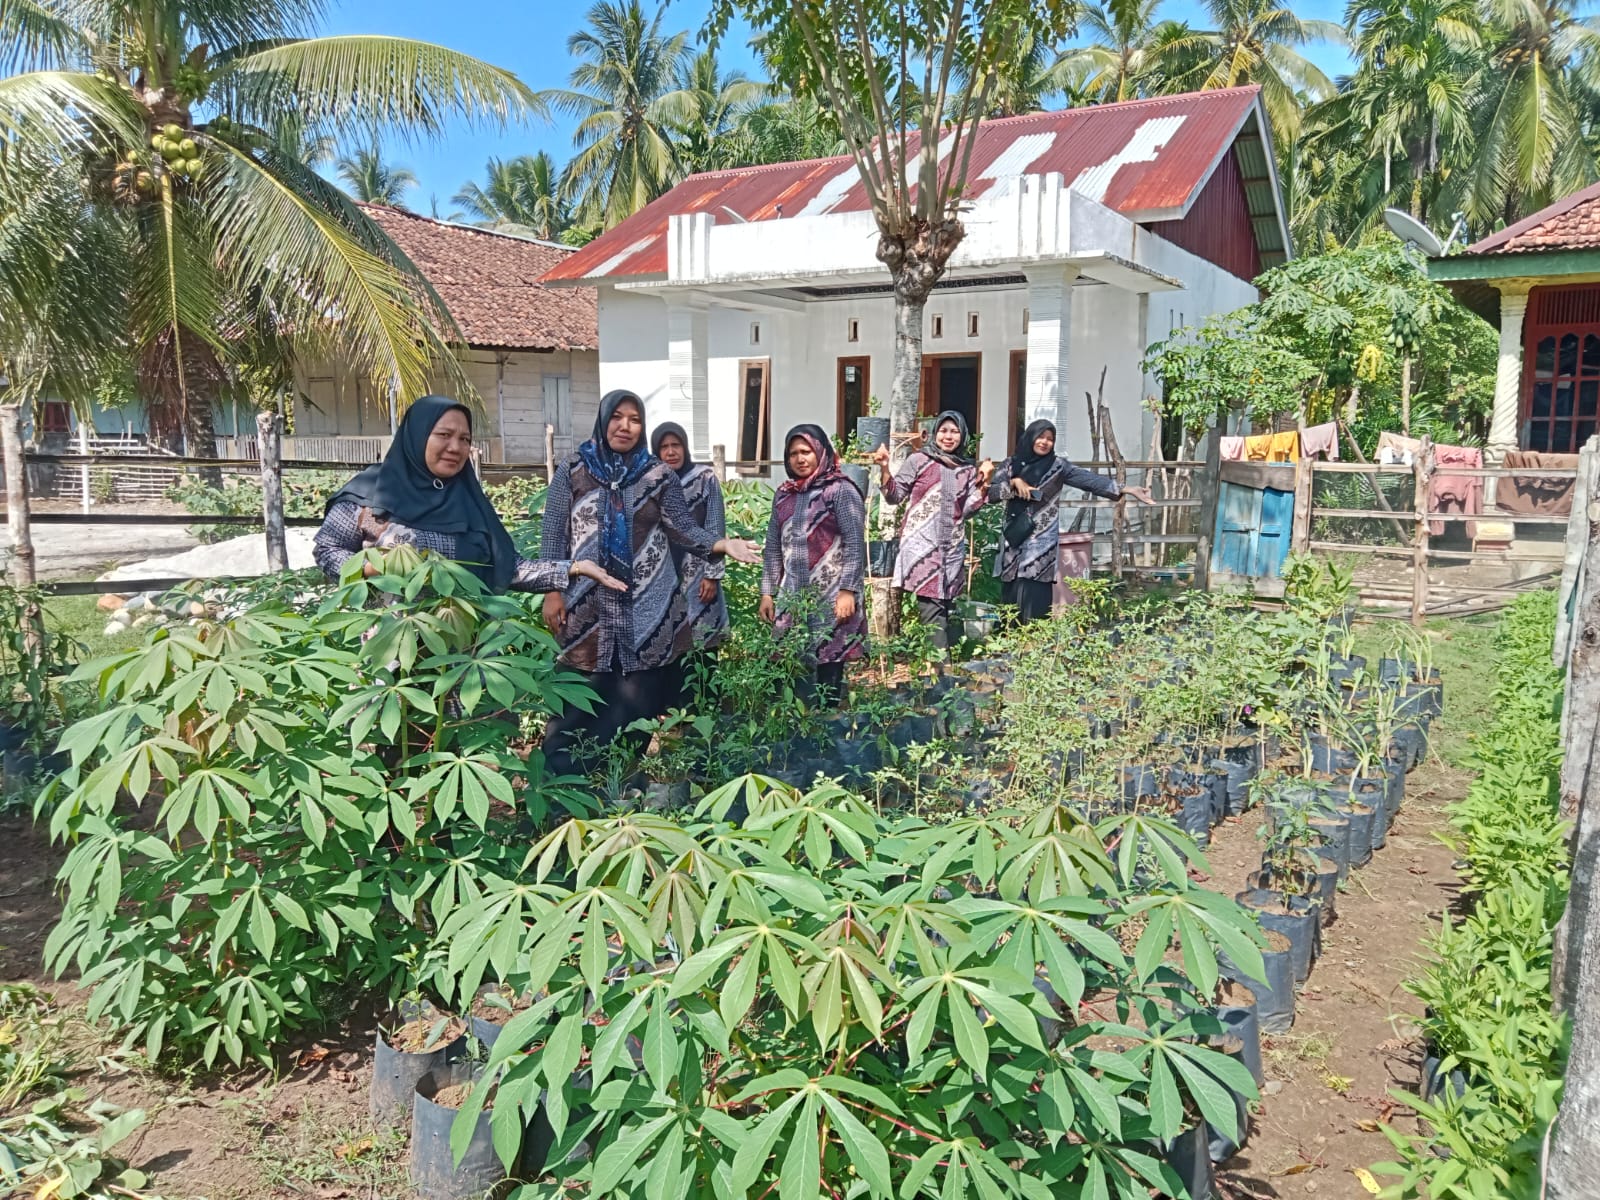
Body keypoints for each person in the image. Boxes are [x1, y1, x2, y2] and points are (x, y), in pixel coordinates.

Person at [540, 391, 760, 775]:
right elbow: (553, 533)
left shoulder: (657, 474)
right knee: (579, 691)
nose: (625, 426)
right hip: (586, 607)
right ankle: (565, 782)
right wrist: (551, 590)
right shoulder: (573, 469)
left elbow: (684, 528)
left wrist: (722, 543)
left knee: (637, 700)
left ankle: (621, 779)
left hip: (646, 608)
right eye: (618, 417)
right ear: (603, 419)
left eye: (635, 419)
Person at [313, 394, 626, 598]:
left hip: (466, 652)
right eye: (444, 435)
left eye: (464, 439)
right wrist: (374, 567)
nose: (455, 447)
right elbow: (328, 551)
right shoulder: (370, 493)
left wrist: (574, 567)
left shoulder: (468, 500)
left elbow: (509, 568)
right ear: (417, 435)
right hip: (391, 651)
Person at [989, 419, 1153, 623]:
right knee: (1011, 593)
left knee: (1036, 594)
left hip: (1041, 543)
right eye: (1040, 436)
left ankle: (1035, 644)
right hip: (1013, 540)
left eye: (1050, 439)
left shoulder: (1058, 466)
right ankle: (1008, 643)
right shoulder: (1010, 464)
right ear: (1030, 437)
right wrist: (1014, 482)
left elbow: (1088, 480)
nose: (1044, 442)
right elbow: (993, 493)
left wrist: (1126, 489)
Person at [761, 425, 867, 707]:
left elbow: (855, 543)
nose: (800, 458)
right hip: (792, 596)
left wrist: (848, 590)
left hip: (832, 597)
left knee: (829, 664)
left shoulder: (840, 490)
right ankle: (798, 733)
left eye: (806, 451)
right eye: (793, 453)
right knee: (786, 666)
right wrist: (767, 592)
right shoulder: (783, 495)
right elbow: (773, 547)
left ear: (821, 452)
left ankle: (828, 733)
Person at [871, 411, 993, 652]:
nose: (948, 437)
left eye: (954, 431)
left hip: (952, 551)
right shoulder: (919, 460)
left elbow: (968, 509)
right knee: (933, 614)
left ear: (963, 436)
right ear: (935, 433)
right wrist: (885, 468)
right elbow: (895, 496)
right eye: (944, 430)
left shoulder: (967, 469)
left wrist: (985, 482)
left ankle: (934, 678)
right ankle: (940, 676)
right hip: (922, 550)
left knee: (945, 614)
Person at [651, 422, 730, 706]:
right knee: (671, 643)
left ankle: (708, 709)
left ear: (685, 447)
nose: (671, 452)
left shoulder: (704, 478)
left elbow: (714, 525)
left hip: (698, 575)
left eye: (676, 445)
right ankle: (677, 714)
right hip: (663, 576)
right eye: (664, 447)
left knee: (703, 641)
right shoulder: (652, 481)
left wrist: (712, 573)